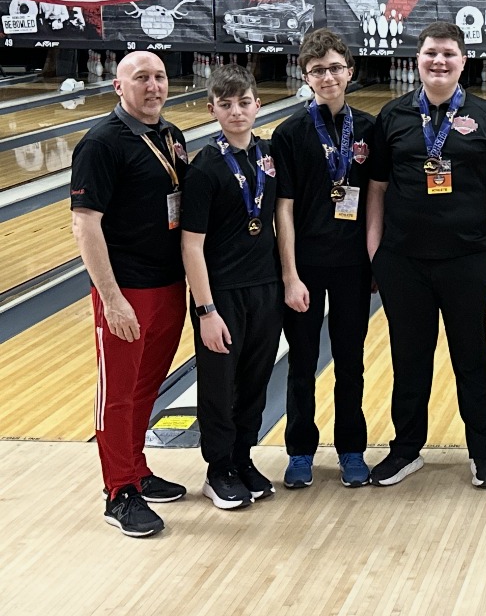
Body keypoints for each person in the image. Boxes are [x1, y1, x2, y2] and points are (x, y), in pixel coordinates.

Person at [367, 21, 486, 489]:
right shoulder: (393, 116)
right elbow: (377, 189)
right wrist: (376, 254)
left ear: (463, 61)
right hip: (403, 262)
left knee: (473, 358)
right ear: (418, 59)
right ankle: (406, 450)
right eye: (431, 53)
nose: (439, 61)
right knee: (409, 359)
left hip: (467, 261)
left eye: (448, 53)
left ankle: (484, 454)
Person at [71, 51, 190, 537]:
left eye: (159, 76)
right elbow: (85, 225)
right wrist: (112, 298)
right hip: (126, 291)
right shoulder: (101, 143)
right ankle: (118, 491)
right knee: (117, 394)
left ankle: (136, 469)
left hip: (169, 285)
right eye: (141, 78)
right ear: (119, 87)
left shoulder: (172, 135)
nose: (153, 86)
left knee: (146, 387)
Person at [272, 29, 374, 490]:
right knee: (302, 363)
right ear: (305, 76)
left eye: (335, 68)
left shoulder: (369, 129)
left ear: (349, 71)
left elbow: (378, 199)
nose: (328, 77)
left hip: (353, 265)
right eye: (318, 70)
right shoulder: (289, 133)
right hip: (307, 266)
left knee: (351, 362)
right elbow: (284, 209)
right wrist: (290, 275)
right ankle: (300, 452)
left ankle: (352, 449)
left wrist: (375, 261)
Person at [181, 64, 284, 510]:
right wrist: (206, 311)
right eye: (226, 105)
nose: (236, 111)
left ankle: (242, 457)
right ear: (212, 110)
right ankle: (218, 468)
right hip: (221, 294)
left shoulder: (269, 158)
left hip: (266, 288)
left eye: (244, 103)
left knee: (255, 380)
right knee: (219, 385)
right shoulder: (204, 168)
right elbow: (191, 246)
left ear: (257, 105)